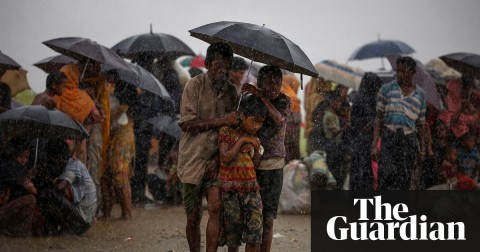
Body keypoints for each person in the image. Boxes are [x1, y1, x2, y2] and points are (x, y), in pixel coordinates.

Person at [177, 42, 238, 252]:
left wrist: (217, 160)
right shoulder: (194, 86)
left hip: (216, 160)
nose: (224, 69)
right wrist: (221, 120)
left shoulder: (231, 92)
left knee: (215, 208)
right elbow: (187, 124)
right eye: (219, 64)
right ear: (208, 63)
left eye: (227, 65)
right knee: (193, 215)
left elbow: (234, 129)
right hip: (192, 160)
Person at [242, 65, 291, 252]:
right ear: (259, 82)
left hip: (273, 165)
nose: (273, 87)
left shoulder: (283, 101)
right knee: (252, 217)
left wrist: (261, 96)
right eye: (269, 82)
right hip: (250, 165)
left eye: (277, 83)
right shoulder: (250, 101)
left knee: (268, 218)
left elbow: (278, 119)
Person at [217, 95, 266, 252]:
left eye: (260, 123)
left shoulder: (254, 137)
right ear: (242, 115)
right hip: (231, 190)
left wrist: (257, 150)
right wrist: (242, 140)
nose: (256, 126)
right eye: (253, 121)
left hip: (251, 189)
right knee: (234, 235)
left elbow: (255, 165)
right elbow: (225, 159)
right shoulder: (227, 132)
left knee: (255, 231)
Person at [371, 56, 427, 190]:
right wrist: (374, 144)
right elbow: (378, 118)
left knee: (404, 180)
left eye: (404, 71)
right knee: (385, 177)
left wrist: (422, 149)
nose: (400, 74)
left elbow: (420, 124)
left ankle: (398, 209)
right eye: (398, 71)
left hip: (409, 140)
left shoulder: (421, 94)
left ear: (413, 72)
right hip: (390, 137)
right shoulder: (386, 89)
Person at [36, 139, 96, 235]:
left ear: (58, 158)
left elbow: (59, 188)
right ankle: (51, 231)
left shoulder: (73, 166)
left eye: (50, 159)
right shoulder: (70, 164)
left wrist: (41, 183)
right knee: (49, 195)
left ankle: (50, 230)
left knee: (47, 194)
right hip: (81, 218)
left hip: (80, 220)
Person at [101, 82, 135, 220]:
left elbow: (113, 119)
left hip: (121, 138)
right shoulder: (107, 99)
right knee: (109, 175)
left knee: (120, 175)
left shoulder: (113, 101)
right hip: (116, 138)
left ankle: (126, 213)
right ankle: (110, 214)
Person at [349, 73, 383, 190]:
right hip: (365, 140)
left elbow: (354, 120)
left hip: (358, 140)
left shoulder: (358, 97)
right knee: (365, 170)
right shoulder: (369, 99)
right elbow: (369, 120)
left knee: (359, 170)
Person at [0, 138, 37, 236]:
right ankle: (12, 232)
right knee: (31, 199)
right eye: (21, 156)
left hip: (5, 210)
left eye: (27, 158)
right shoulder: (13, 169)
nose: (24, 160)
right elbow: (33, 190)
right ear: (14, 155)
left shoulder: (6, 166)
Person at [280, 72, 302, 162]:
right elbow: (296, 119)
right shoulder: (293, 98)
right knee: (291, 149)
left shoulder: (280, 93)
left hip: (281, 133)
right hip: (291, 129)